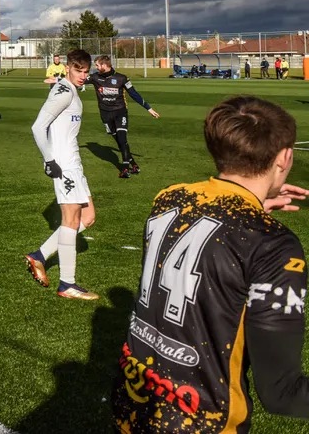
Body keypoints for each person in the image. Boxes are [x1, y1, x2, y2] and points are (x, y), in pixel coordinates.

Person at [111, 96, 309, 432]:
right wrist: (252, 220)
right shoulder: (273, 245)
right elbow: (281, 392)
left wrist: (250, 209)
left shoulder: (169, 196)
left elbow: (212, 232)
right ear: (285, 157)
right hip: (202, 421)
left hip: (134, 405)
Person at [24, 49, 98, 300]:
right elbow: (38, 126)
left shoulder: (73, 90)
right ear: (67, 68)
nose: (83, 75)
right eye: (78, 70)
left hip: (74, 163)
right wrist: (49, 160)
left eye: (86, 71)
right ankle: (67, 284)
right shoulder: (63, 91)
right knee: (70, 219)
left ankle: (39, 256)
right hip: (64, 164)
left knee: (87, 217)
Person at [87, 55, 160, 178]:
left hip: (120, 112)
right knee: (119, 142)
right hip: (105, 114)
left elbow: (134, 94)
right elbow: (78, 80)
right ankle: (134, 165)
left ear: (104, 65)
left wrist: (148, 108)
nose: (96, 67)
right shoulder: (95, 77)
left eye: (98, 65)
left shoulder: (122, 78)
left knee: (122, 139)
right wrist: (59, 81)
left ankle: (125, 169)